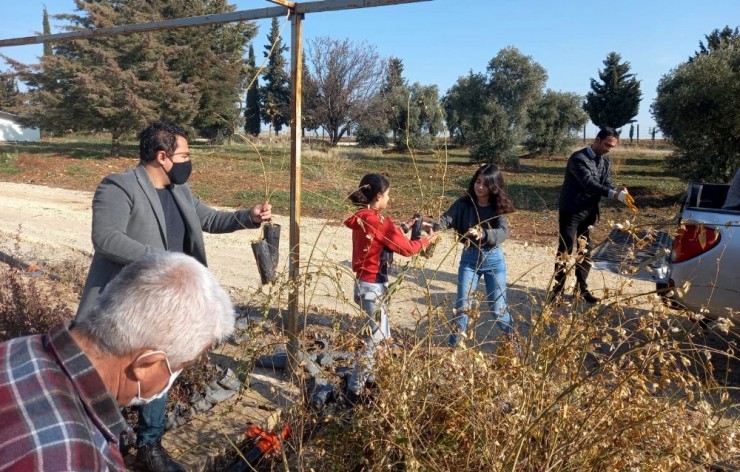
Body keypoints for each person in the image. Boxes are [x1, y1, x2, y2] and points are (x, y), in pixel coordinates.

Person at [75, 120, 271, 472]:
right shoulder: (118, 187)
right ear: (162, 156)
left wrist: (248, 216)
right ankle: (100, 447)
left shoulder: (180, 191)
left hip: (167, 310)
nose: (188, 161)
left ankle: (150, 447)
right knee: (111, 380)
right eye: (184, 155)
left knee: (159, 374)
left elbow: (209, 219)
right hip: (126, 307)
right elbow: (106, 238)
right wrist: (164, 262)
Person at [0, 252, 236, 471]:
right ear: (146, 366)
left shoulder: (17, 347)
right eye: (180, 368)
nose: (174, 379)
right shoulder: (77, 457)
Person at [344, 173, 439, 399]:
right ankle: (354, 389)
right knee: (376, 337)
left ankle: (370, 378)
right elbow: (405, 248)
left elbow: (385, 238)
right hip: (373, 287)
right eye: (387, 195)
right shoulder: (378, 221)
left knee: (382, 334)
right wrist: (427, 241)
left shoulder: (363, 217)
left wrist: (408, 225)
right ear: (378, 196)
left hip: (364, 285)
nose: (389, 199)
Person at [431, 164, 516, 347]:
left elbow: (503, 232)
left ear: (493, 187)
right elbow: (447, 220)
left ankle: (514, 347)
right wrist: (434, 227)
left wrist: (484, 234)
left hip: (493, 259)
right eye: (478, 181)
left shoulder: (496, 208)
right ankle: (454, 350)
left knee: (498, 309)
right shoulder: (463, 203)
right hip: (469, 260)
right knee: (462, 307)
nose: (479, 187)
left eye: (485, 184)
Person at [550, 127, 631, 305]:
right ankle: (557, 291)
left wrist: (616, 189)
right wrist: (613, 194)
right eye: (607, 145)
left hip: (589, 213)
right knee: (565, 250)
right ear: (597, 140)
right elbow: (589, 184)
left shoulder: (605, 161)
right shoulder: (578, 158)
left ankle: (581, 290)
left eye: (612, 146)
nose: (609, 149)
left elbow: (606, 183)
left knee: (585, 251)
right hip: (571, 212)